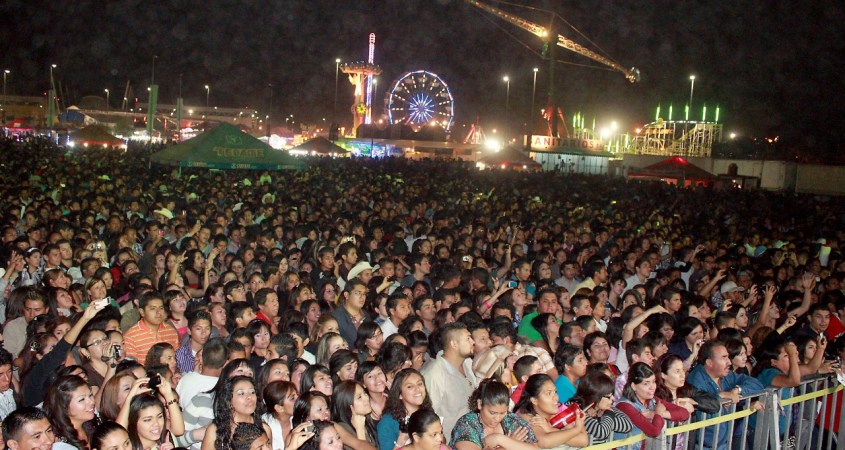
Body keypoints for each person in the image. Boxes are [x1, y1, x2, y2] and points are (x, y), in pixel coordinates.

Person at [420, 322, 478, 438]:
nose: (473, 342)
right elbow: (428, 416)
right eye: (468, 338)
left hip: (473, 434)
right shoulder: (434, 374)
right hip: (450, 439)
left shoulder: (467, 363)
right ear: (454, 344)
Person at [450, 379, 538, 450]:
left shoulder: (512, 420)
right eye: (492, 413)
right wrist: (509, 445)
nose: (497, 418)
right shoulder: (466, 424)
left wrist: (499, 439)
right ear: (480, 404)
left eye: (502, 413)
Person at [615, 363, 690, 441]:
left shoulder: (652, 400)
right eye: (646, 383)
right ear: (633, 386)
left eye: (653, 381)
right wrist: (658, 413)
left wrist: (659, 414)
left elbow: (684, 413)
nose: (652, 387)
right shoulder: (625, 406)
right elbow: (654, 431)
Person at [514, 373, 590, 448]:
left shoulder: (559, 407)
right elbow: (544, 441)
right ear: (534, 400)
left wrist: (550, 429)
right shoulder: (526, 415)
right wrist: (576, 430)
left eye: (555, 392)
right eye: (549, 393)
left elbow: (584, 441)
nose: (556, 397)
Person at [202, 375, 272, 450]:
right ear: (228, 401)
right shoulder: (215, 431)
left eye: (252, 392)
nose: (249, 397)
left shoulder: (264, 428)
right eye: (241, 393)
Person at [568, 371, 633, 445]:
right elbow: (602, 432)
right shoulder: (575, 410)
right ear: (594, 396)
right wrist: (609, 415)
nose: (613, 398)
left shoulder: (601, 406)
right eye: (609, 396)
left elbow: (628, 424)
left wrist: (603, 419)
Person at [377, 368, 433, 450]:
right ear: (400, 395)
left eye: (420, 384)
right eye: (410, 386)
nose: (417, 389)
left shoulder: (428, 413)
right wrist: (400, 442)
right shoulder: (387, 422)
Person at [44, 375, 99, 450]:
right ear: (64, 406)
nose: (92, 402)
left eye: (90, 395)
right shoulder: (58, 441)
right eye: (82, 399)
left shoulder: (91, 425)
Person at [123, 292, 180, 363]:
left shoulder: (171, 331)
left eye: (161, 308)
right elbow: (132, 366)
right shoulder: (130, 337)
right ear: (142, 312)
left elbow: (177, 359)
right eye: (153, 308)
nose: (158, 312)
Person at [331, 380, 378, 450]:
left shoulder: (367, 421)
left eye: (365, 393)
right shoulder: (343, 430)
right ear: (347, 404)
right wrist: (360, 430)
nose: (366, 398)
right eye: (359, 397)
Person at [262, 380, 298, 450]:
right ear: (279, 408)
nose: (299, 399)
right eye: (292, 398)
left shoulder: (300, 418)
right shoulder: (264, 428)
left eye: (297, 394)